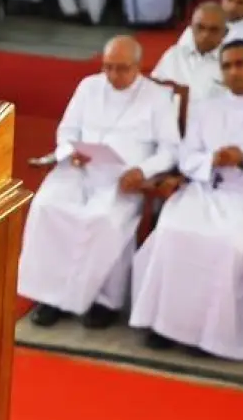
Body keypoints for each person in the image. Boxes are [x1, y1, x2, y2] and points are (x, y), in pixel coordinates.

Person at [128, 40, 243, 359]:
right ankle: (165, 325)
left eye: (240, 64)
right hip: (204, 188)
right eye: (227, 66)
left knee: (225, 245)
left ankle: (209, 335)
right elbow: (186, 155)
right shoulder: (207, 108)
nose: (234, 71)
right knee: (171, 232)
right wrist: (212, 161)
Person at [20, 37, 180, 329]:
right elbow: (67, 129)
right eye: (108, 68)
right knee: (47, 208)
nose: (113, 76)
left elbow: (170, 149)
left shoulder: (158, 97)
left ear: (138, 67)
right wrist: (71, 151)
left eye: (121, 69)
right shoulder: (89, 86)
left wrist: (142, 171)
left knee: (102, 221)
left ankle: (104, 301)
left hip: (124, 180)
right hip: (80, 169)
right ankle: (52, 297)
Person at [151, 2, 228, 99]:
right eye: (200, 27)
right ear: (191, 27)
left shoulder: (232, 62)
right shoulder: (174, 54)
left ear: (225, 32)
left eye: (214, 30)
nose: (205, 35)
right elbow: (153, 89)